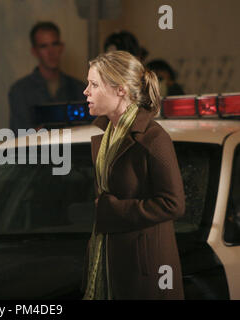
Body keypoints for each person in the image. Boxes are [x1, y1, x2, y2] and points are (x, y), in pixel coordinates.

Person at [82, 50, 185, 299]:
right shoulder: (107, 134)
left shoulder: (153, 138)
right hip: (111, 260)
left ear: (120, 90)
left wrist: (114, 210)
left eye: (94, 84)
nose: (86, 91)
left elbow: (174, 204)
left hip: (145, 274)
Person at [8, 21, 86, 135]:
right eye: (44, 46)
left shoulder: (79, 88)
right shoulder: (20, 90)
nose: (51, 52)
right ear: (35, 51)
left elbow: (88, 131)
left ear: (61, 47)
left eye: (54, 44)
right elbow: (19, 135)